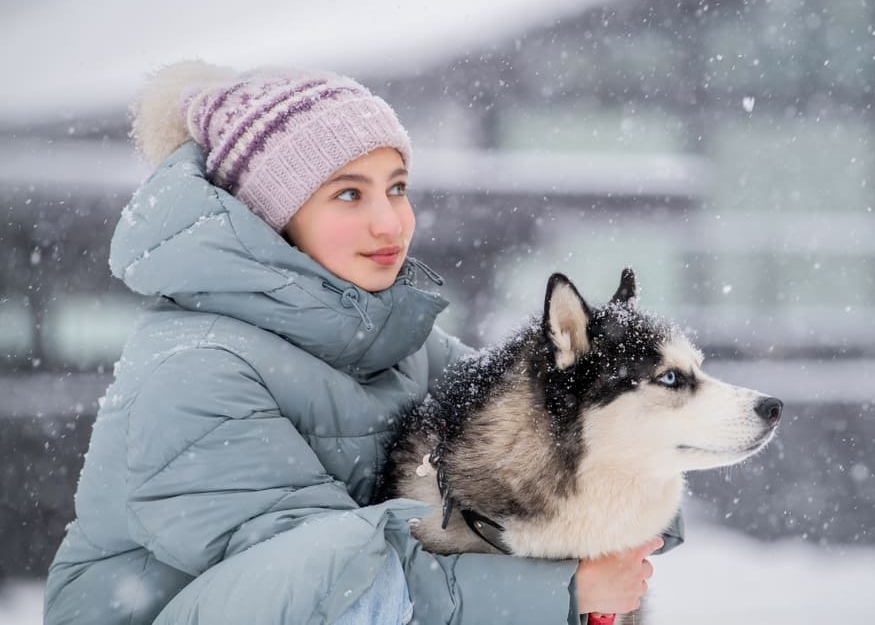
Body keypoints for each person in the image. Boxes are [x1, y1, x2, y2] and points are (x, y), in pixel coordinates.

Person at [43, 61, 682, 625]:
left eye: (397, 188)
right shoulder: (197, 372)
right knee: (360, 554)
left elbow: (549, 430)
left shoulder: (395, 338)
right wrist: (564, 590)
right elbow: (334, 588)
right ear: (270, 217)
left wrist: (630, 484)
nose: (389, 222)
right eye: (349, 193)